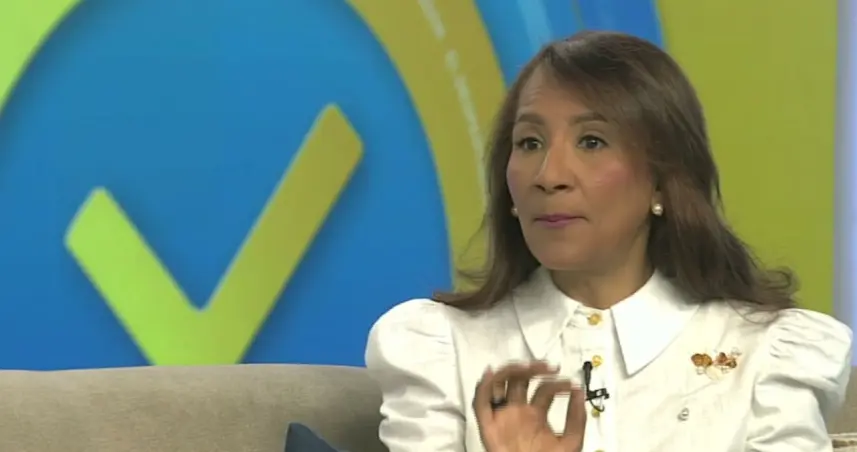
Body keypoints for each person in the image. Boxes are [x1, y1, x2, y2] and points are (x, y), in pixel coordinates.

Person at [364, 31, 853, 452]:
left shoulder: (769, 354)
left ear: (663, 180)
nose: (549, 175)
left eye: (592, 142)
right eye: (529, 143)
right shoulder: (440, 350)